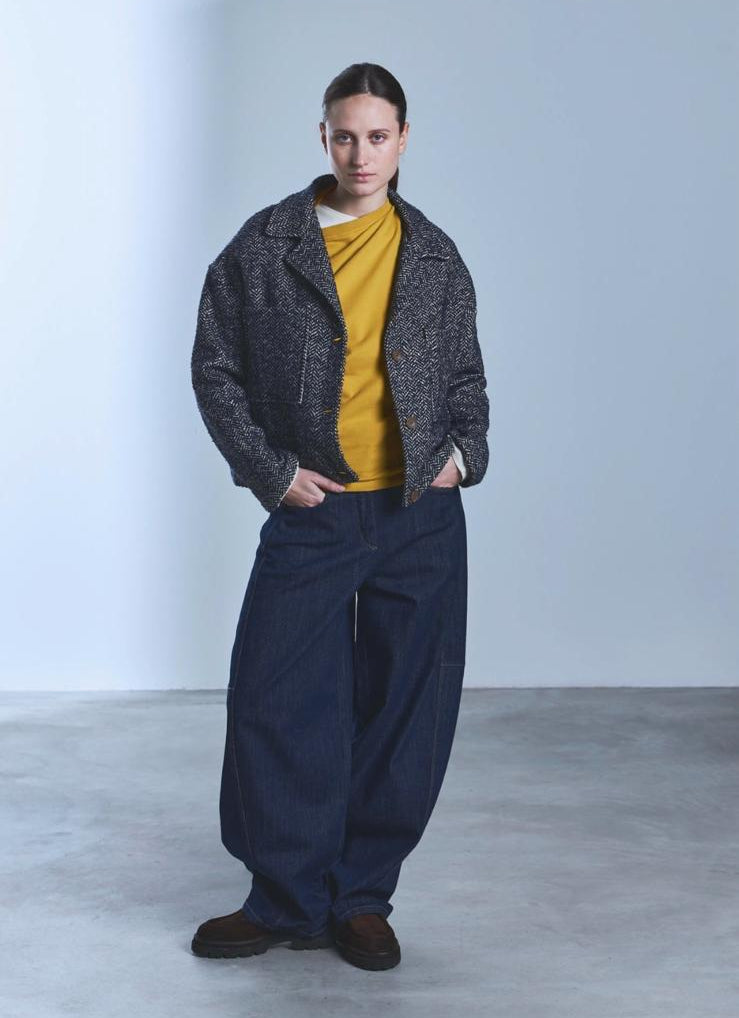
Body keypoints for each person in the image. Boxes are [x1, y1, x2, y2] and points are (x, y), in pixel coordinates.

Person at [189, 62, 490, 971]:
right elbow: (215, 368)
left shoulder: (432, 253)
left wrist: (465, 454)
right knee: (278, 700)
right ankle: (284, 898)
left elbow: (465, 374)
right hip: (314, 511)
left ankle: (360, 898)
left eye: (378, 136)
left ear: (403, 140)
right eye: (346, 136)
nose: (362, 154)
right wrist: (272, 472)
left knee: (406, 710)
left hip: (417, 514)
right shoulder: (265, 244)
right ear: (323, 137)